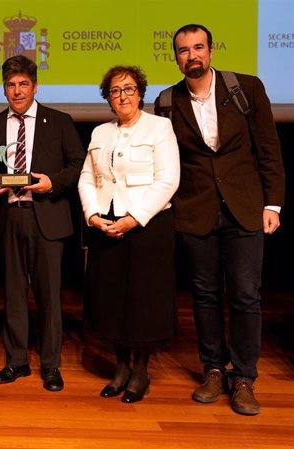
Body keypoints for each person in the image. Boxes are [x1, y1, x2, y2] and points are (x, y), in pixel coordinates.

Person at [153, 24, 285, 415]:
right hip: (196, 212)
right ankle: (213, 369)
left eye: (198, 47)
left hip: (245, 208)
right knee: (205, 296)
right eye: (183, 50)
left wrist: (273, 204)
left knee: (245, 294)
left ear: (211, 50)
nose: (191, 55)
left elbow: (269, 149)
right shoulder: (165, 101)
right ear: (175, 57)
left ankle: (243, 376)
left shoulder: (245, 88)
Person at [79, 65, 180, 403]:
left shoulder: (160, 127)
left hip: (146, 227)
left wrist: (133, 218)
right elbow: (87, 179)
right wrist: (93, 215)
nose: (122, 96)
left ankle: (140, 372)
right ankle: (120, 367)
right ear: (107, 97)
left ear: (141, 92)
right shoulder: (99, 133)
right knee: (111, 300)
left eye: (129, 89)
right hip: (106, 225)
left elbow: (168, 180)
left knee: (142, 303)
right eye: (115, 91)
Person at [0, 55, 85, 392]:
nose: (17, 91)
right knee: (13, 294)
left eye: (23, 84)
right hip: (9, 216)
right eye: (11, 85)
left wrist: (51, 183)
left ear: (35, 86)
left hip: (48, 215)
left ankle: (51, 366)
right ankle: (16, 362)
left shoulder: (58, 120)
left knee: (49, 296)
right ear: (4, 89)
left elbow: (77, 165)